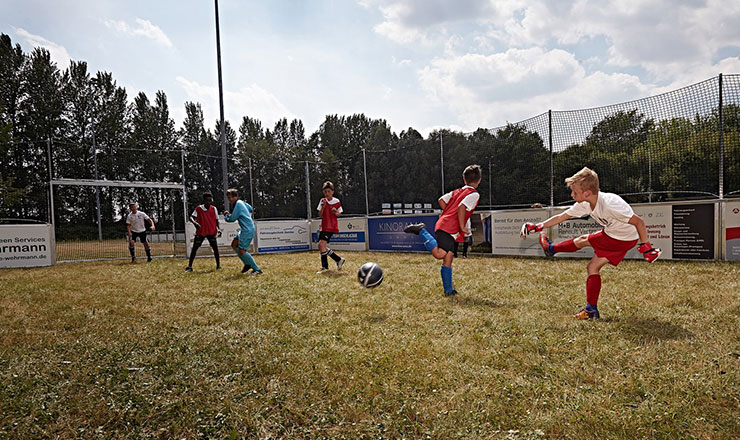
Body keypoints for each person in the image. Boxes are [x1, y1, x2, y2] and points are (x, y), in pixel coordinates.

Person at [520, 167, 661, 320]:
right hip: (620, 238)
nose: (571, 195)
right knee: (592, 267)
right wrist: (538, 226)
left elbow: (639, 222)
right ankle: (591, 310)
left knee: (584, 240)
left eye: (575, 192)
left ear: (587, 193)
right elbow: (562, 216)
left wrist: (647, 247)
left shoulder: (610, 203)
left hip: (620, 237)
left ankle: (552, 249)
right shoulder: (585, 203)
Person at [404, 165, 482, 296]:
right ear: (479, 180)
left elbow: (441, 200)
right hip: (448, 228)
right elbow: (462, 207)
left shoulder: (456, 191)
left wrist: (448, 214)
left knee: (448, 258)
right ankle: (421, 230)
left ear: (464, 180)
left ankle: (449, 290)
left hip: (445, 224)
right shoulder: (474, 194)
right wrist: (462, 226)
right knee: (439, 254)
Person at [223, 188, 262, 276]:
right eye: (228, 198)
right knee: (234, 244)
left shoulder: (238, 205)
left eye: (230, 198)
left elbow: (231, 219)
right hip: (245, 229)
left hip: (247, 230)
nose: (229, 200)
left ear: (235, 197)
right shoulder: (241, 202)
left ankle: (257, 269)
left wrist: (226, 215)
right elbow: (250, 208)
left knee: (242, 251)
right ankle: (247, 264)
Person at [186, 192, 221, 272]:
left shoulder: (214, 208)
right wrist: (195, 223)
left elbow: (216, 220)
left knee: (215, 249)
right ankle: (189, 266)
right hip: (201, 232)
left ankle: (218, 266)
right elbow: (191, 217)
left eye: (210, 200)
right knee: (194, 249)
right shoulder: (198, 209)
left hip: (211, 232)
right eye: (207, 200)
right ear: (204, 200)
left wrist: (218, 229)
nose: (209, 202)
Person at [316, 181, 346, 273]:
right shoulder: (322, 201)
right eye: (325, 192)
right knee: (321, 246)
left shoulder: (336, 201)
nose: (327, 194)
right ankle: (338, 259)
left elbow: (339, 214)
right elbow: (320, 214)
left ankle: (325, 267)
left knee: (321, 244)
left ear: (332, 192)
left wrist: (335, 212)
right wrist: (323, 207)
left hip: (331, 226)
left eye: (329, 191)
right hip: (324, 226)